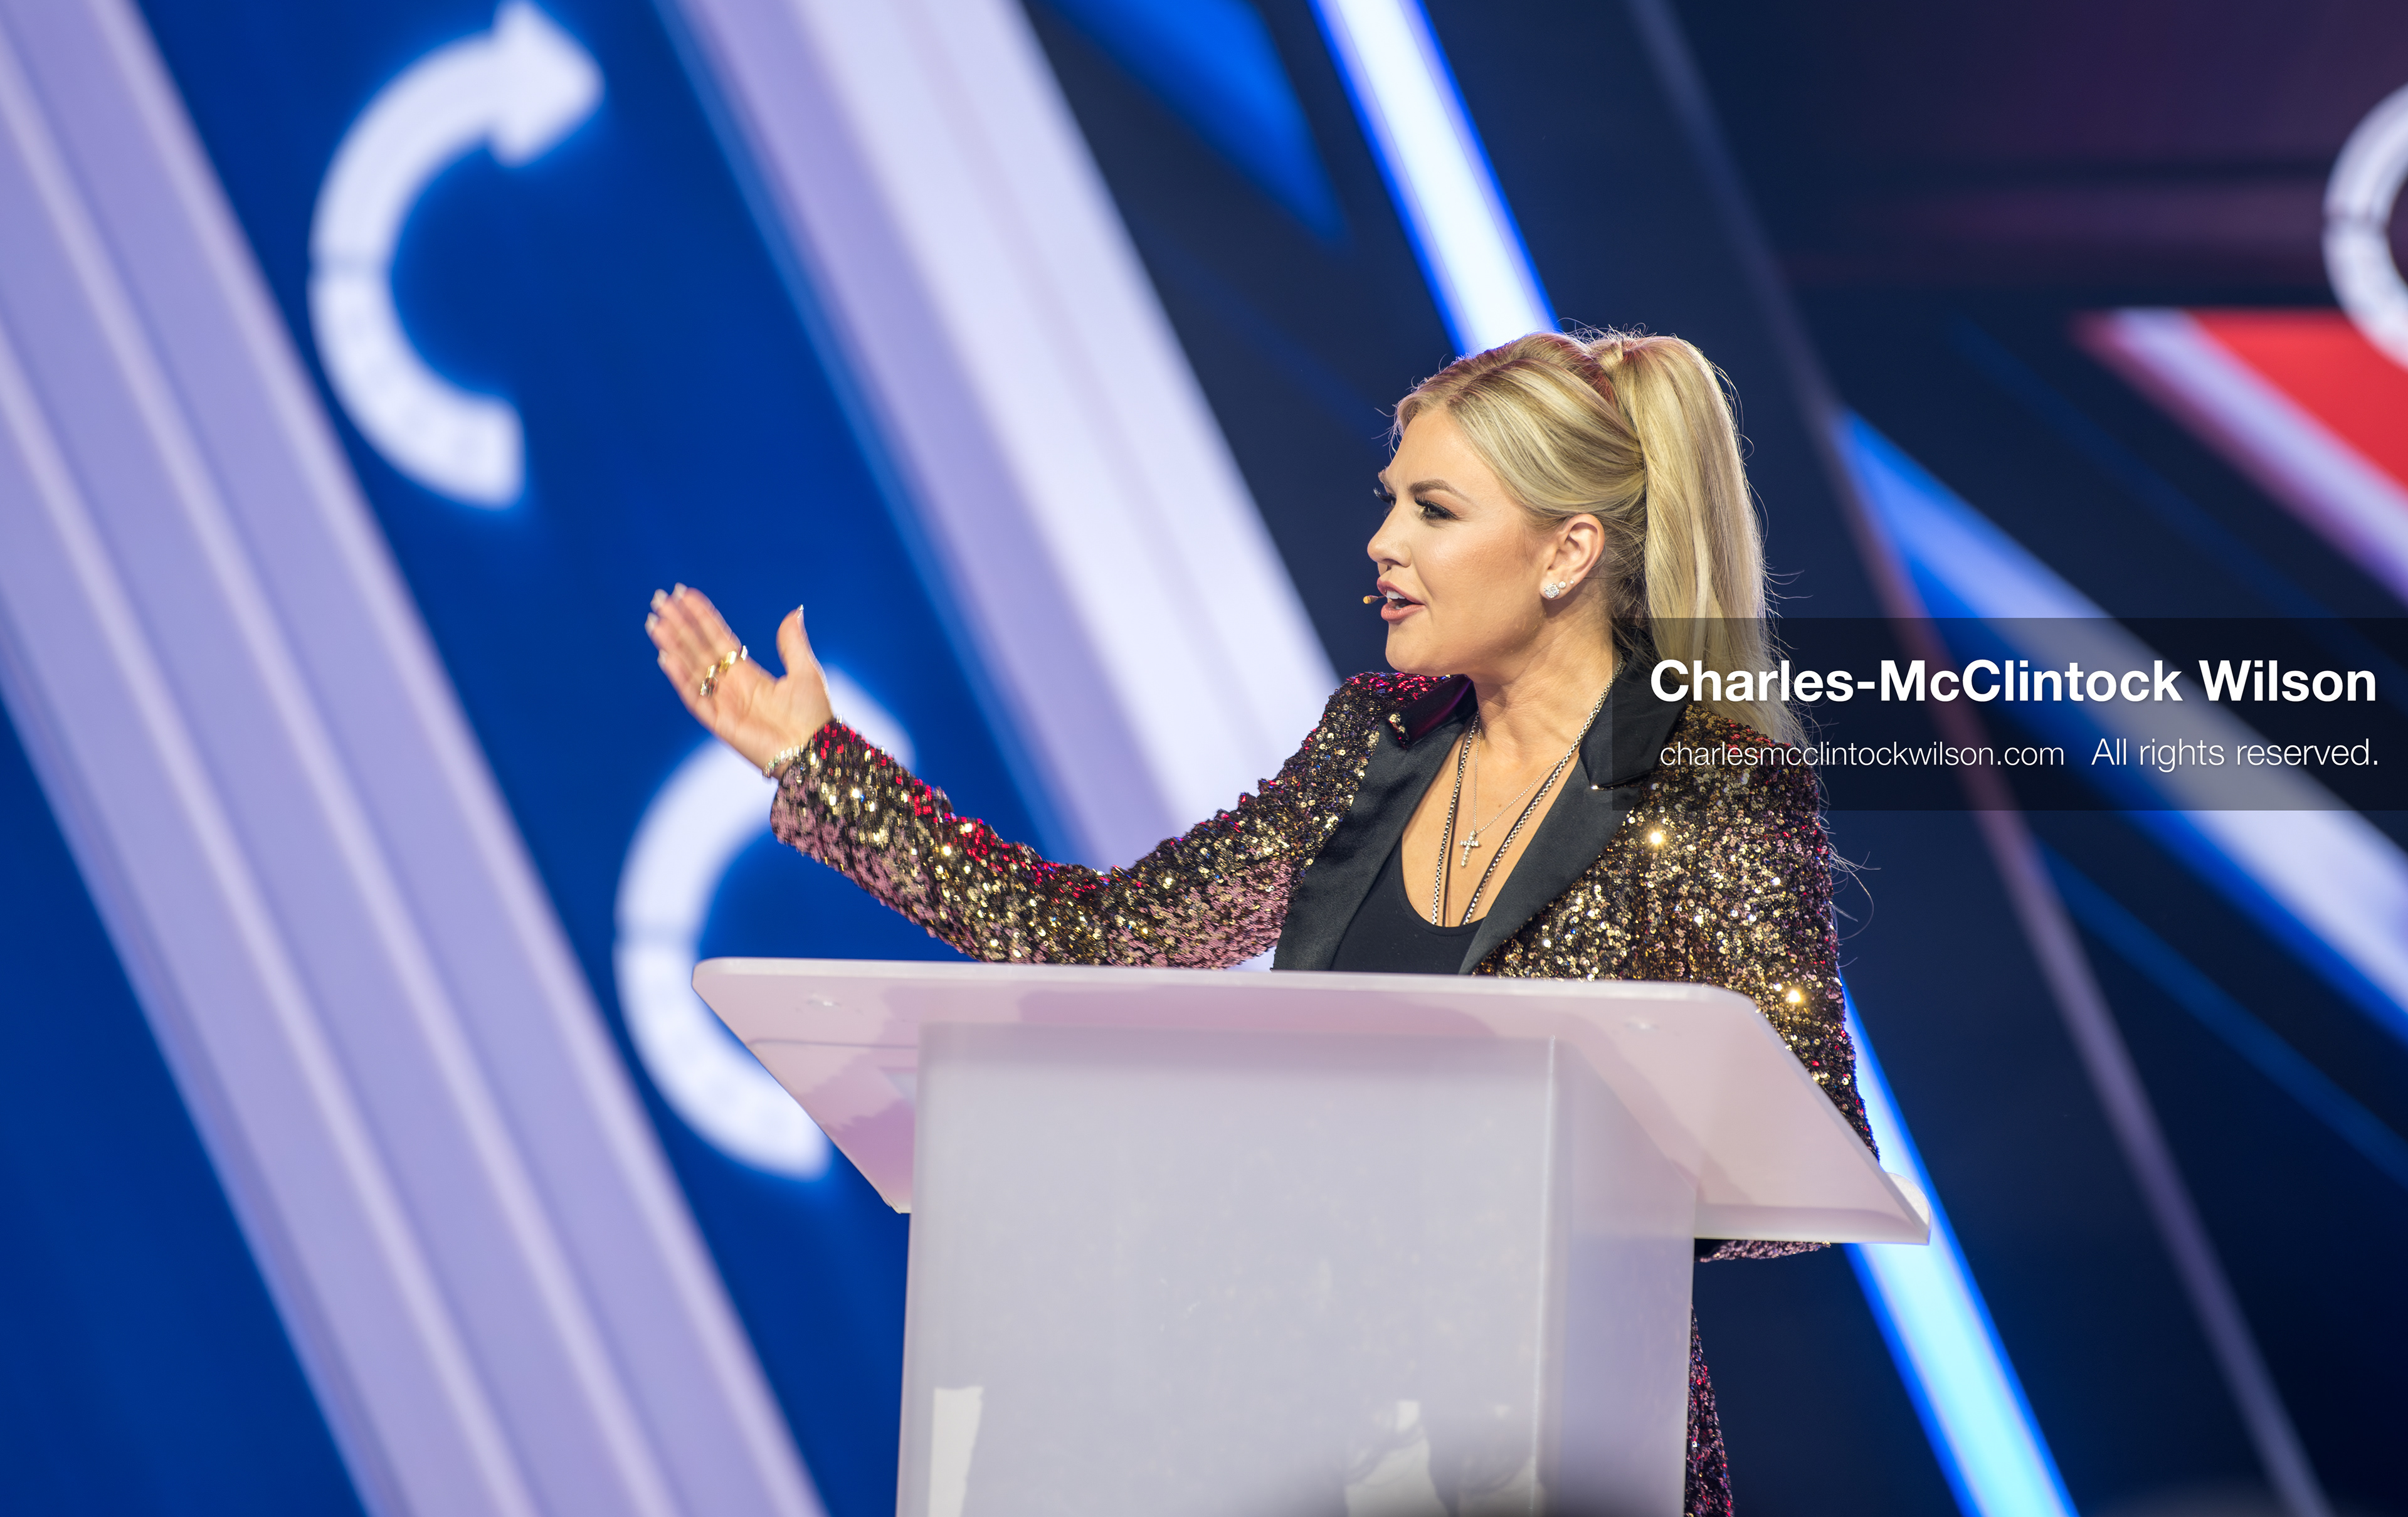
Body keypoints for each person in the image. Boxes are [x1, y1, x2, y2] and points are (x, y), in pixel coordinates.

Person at [646, 330, 1871, 1517]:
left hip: (1554, 1445)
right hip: (1304, 1424)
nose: (1384, 542)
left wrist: (1539, 1183)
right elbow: (1103, 940)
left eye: (1435, 510)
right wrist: (821, 764)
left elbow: (1800, 1141)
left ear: (1567, 552)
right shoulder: (1375, 741)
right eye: (1391, 503)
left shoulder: (1709, 783)